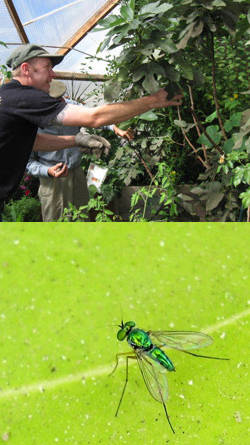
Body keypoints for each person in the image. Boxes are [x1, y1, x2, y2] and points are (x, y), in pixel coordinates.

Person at [0, 44, 183, 220]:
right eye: (47, 67)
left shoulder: (9, 95)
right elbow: (94, 117)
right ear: (26, 69)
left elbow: (33, 142)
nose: (53, 74)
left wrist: (77, 139)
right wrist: (154, 100)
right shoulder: (25, 97)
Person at [26, 80, 134, 221]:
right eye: (53, 102)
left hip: (76, 173)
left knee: (81, 217)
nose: (59, 105)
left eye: (61, 100)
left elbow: (92, 117)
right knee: (57, 221)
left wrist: (115, 128)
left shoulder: (71, 107)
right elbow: (27, 162)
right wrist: (48, 171)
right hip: (52, 180)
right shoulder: (32, 120)